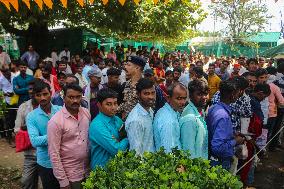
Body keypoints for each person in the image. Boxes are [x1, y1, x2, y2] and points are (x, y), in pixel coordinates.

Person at [48, 84, 91, 189]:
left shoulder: (86, 113)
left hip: (88, 170)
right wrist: (63, 181)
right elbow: (54, 153)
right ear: (63, 97)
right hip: (71, 174)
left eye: (78, 97)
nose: (75, 100)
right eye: (71, 97)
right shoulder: (55, 122)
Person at [26, 80, 62, 189]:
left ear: (50, 93)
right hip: (46, 162)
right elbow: (34, 141)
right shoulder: (31, 116)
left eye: (45, 94)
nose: (42, 98)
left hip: (64, 159)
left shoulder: (60, 111)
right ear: (34, 96)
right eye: (38, 95)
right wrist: (57, 136)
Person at [206, 80, 245, 171]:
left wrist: (231, 134)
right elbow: (217, 147)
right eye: (237, 93)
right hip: (219, 162)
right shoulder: (223, 116)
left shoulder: (214, 107)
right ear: (232, 95)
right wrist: (235, 141)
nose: (238, 96)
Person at [89, 88, 129, 169]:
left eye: (115, 103)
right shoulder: (97, 125)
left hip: (116, 168)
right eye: (109, 104)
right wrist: (128, 138)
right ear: (99, 105)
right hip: (101, 170)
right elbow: (117, 150)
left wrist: (119, 142)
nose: (114, 107)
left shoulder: (117, 119)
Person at [14, 79, 39, 189]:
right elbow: (17, 129)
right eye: (29, 89)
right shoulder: (23, 107)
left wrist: (28, 127)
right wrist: (29, 128)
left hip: (47, 153)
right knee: (26, 181)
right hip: (30, 153)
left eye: (33, 89)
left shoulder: (51, 108)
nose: (31, 91)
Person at [125, 78, 156, 156]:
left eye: (153, 93)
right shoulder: (136, 120)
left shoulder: (150, 110)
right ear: (138, 94)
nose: (151, 97)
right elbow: (136, 154)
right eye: (146, 94)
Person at [153, 83, 187, 153]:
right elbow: (168, 151)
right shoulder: (168, 120)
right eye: (179, 98)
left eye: (184, 98)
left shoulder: (172, 111)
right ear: (168, 98)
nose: (183, 102)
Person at [180, 79, 209, 159]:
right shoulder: (190, 119)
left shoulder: (200, 110)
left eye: (205, 94)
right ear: (191, 96)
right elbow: (188, 152)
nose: (204, 97)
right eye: (199, 94)